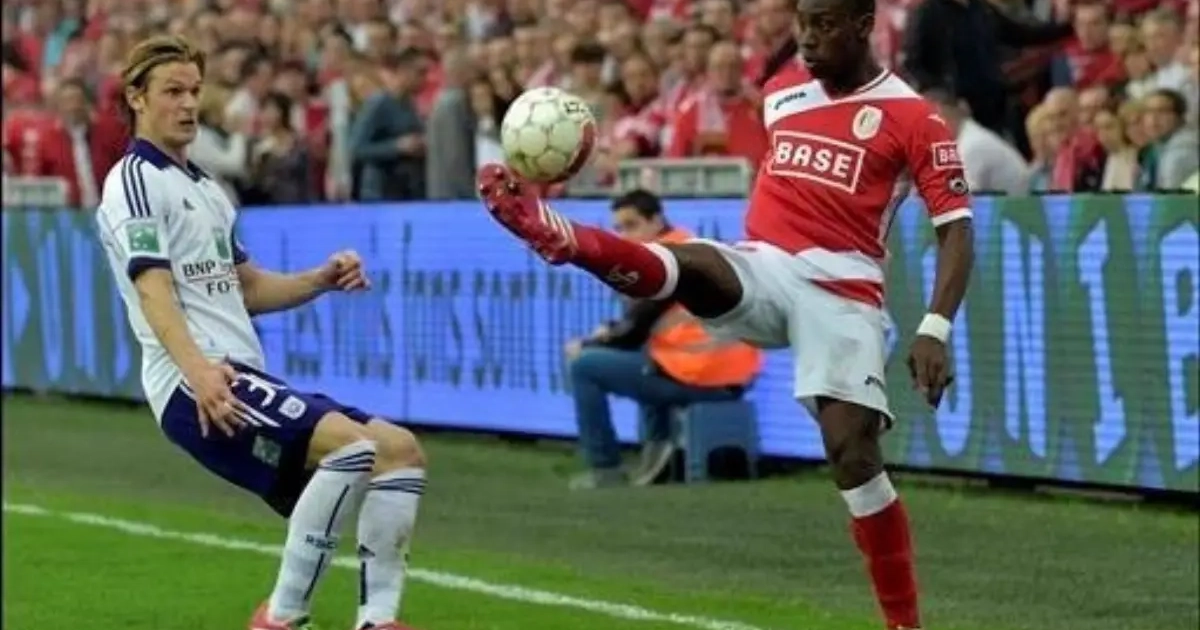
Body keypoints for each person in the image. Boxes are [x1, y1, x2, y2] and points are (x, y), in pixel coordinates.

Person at [476, 0, 975, 627]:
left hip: (842, 289)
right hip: (764, 263)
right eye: (802, 24)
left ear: (862, 25)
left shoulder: (913, 117)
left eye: (824, 25)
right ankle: (564, 238)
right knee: (692, 262)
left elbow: (957, 228)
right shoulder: (783, 94)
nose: (808, 39)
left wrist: (935, 326)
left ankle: (903, 623)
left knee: (851, 452)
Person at [94, 36, 425, 630]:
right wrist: (199, 372)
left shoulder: (206, 189)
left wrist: (319, 280)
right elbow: (153, 291)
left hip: (238, 374)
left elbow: (246, 289)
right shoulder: (134, 181)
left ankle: (377, 620)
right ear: (136, 97)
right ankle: (281, 617)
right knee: (352, 448)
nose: (188, 104)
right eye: (172, 91)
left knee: (400, 450)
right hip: (194, 381)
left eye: (195, 91)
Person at [564, 190, 761, 490]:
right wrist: (615, 333)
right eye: (618, 228)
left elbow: (634, 331)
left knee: (584, 367)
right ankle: (659, 451)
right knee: (647, 358)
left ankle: (605, 467)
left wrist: (589, 344)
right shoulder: (689, 245)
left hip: (698, 375)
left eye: (631, 225)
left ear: (656, 220)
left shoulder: (662, 260)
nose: (624, 236)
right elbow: (647, 322)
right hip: (732, 376)